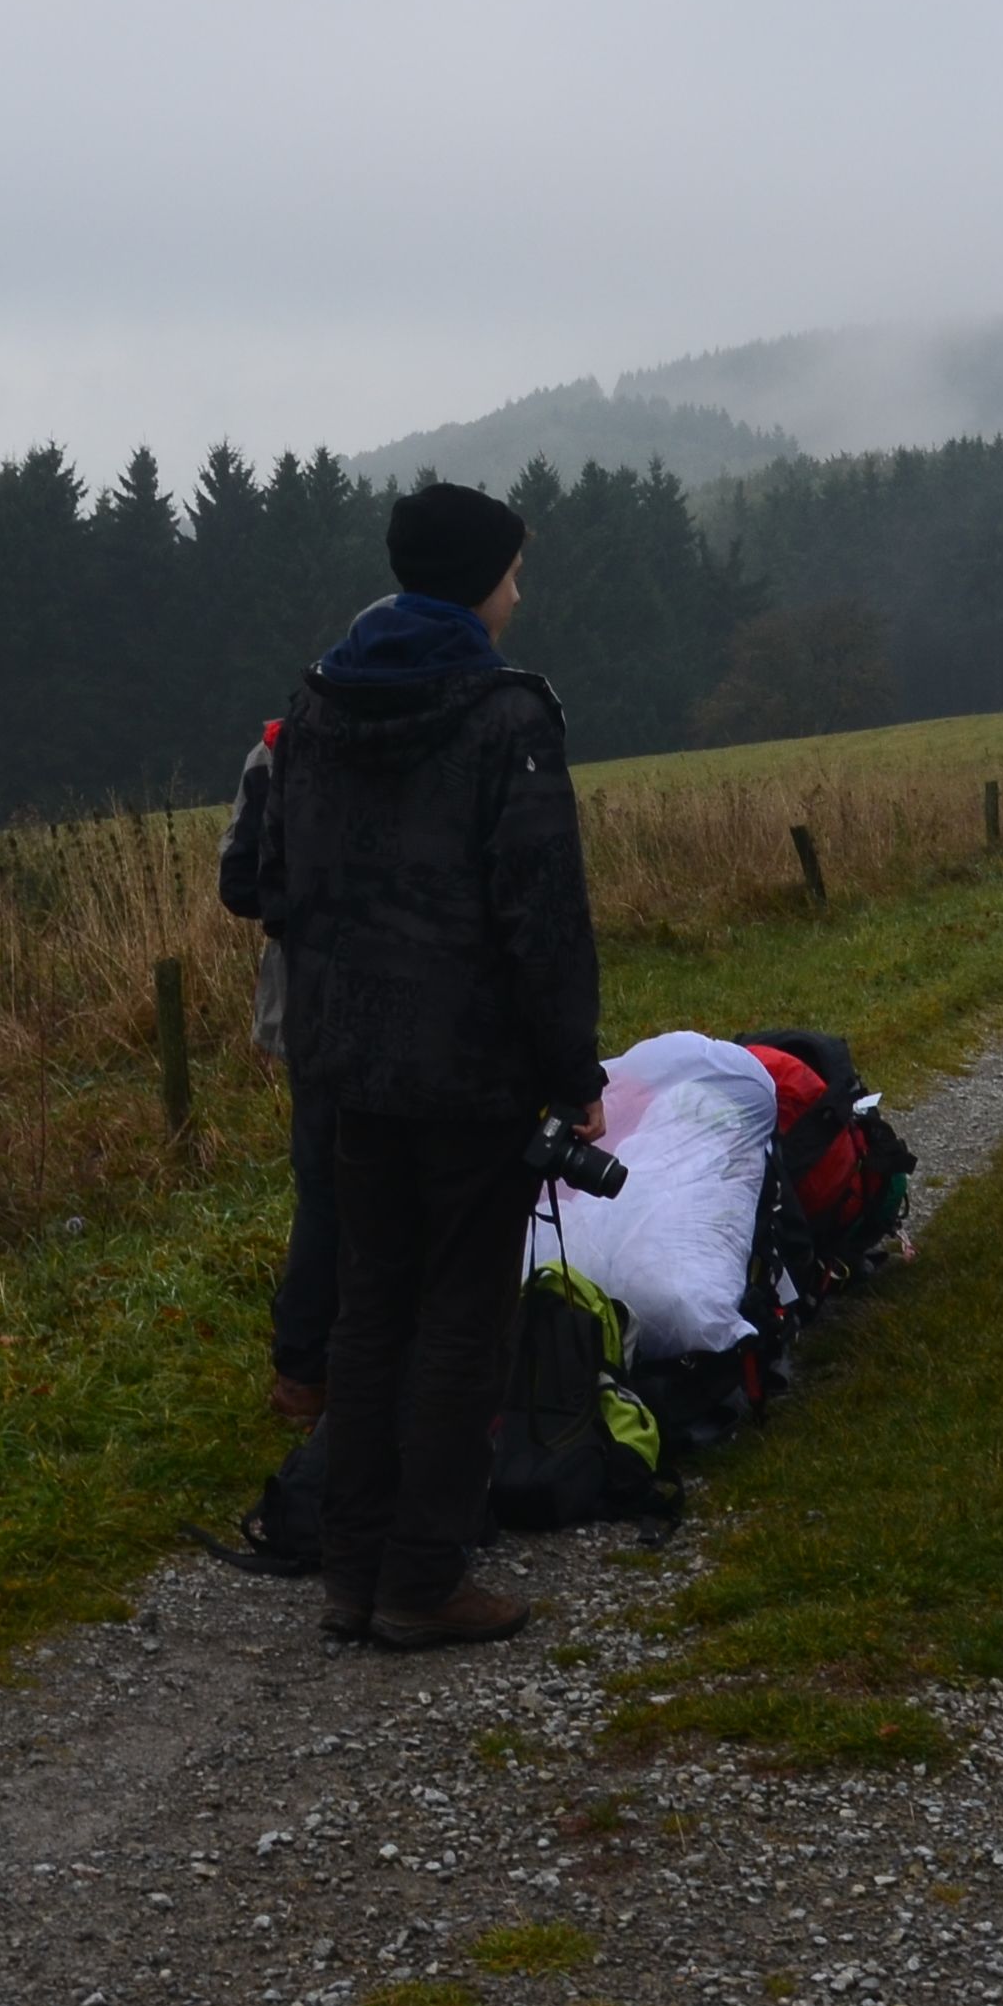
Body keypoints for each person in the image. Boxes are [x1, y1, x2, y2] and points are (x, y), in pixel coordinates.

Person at [223, 482, 605, 1649]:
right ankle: (423, 1579)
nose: (518, 593)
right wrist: (572, 1074)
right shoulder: (505, 714)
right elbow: (541, 916)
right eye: (513, 572)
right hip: (468, 1069)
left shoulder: (317, 701)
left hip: (345, 1060)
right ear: (478, 579)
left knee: (371, 1306)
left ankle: (351, 1574)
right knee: (461, 1320)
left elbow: (268, 879)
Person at [214, 718, 330, 1426]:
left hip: (309, 1008)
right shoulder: (452, 722)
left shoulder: (278, 747)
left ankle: (304, 1378)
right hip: (427, 1005)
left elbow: (239, 883)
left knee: (324, 1191)